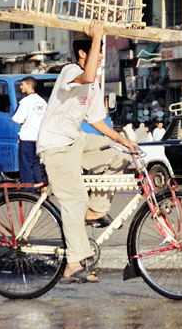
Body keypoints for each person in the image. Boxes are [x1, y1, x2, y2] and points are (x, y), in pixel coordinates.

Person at [37, 20, 135, 284]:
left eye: (101, 51)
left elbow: (96, 121)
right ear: (82, 53)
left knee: (119, 156)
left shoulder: (93, 86)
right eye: (97, 51)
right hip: (56, 145)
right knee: (74, 199)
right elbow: (88, 75)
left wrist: (121, 140)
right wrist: (97, 36)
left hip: (76, 140)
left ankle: (95, 211)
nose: (101, 55)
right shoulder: (70, 71)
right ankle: (73, 262)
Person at [12, 76, 48, 188]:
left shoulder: (25, 102)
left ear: (29, 85)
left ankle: (28, 191)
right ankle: (41, 187)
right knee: (37, 164)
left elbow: (17, 119)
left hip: (27, 138)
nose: (21, 87)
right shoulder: (43, 102)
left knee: (26, 165)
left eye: (22, 84)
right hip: (40, 138)